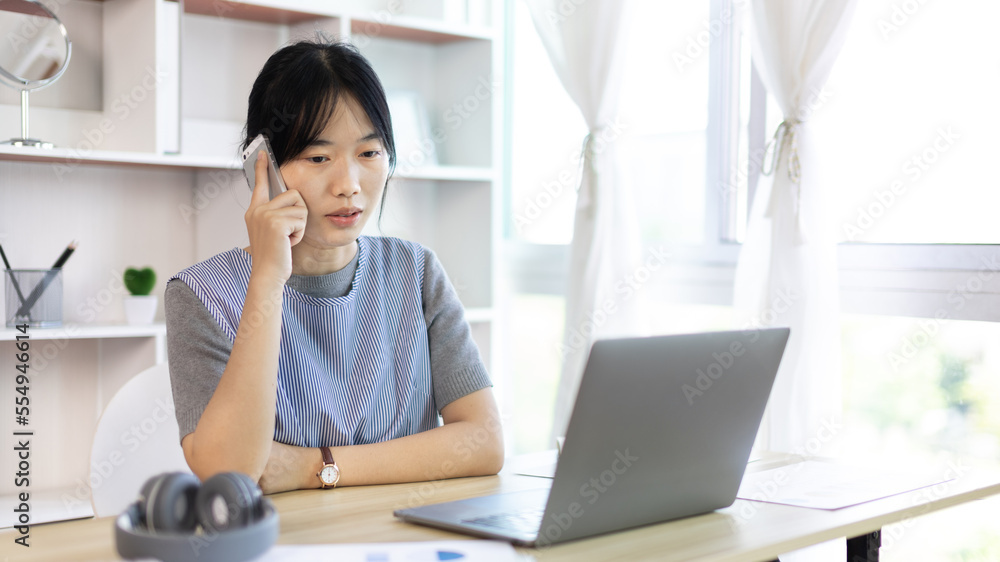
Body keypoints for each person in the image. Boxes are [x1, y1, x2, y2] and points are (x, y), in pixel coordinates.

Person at [164, 40, 503, 494]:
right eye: (319, 158)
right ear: (262, 166)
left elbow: (484, 442)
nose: (349, 186)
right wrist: (266, 278)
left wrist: (315, 467)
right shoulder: (199, 295)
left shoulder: (416, 273)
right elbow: (232, 472)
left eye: (369, 154)